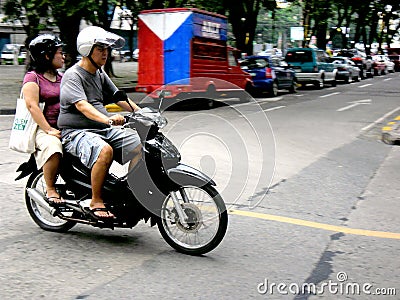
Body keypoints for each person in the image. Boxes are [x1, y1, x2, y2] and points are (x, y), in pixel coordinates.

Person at [58, 26, 142, 220]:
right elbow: (82, 106)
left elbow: (117, 97)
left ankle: (132, 190)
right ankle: (96, 200)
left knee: (140, 145)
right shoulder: (73, 76)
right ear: (87, 50)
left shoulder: (100, 73)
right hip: (75, 132)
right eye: (100, 48)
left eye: (106, 48)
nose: (105, 53)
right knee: (105, 151)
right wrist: (107, 119)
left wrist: (143, 113)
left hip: (102, 129)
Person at [23, 34, 65, 206]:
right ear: (46, 56)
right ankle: (50, 188)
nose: (63, 56)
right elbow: (32, 106)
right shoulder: (33, 78)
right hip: (42, 128)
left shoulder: (62, 77)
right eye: (59, 53)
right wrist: (48, 130)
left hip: (63, 126)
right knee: (53, 147)